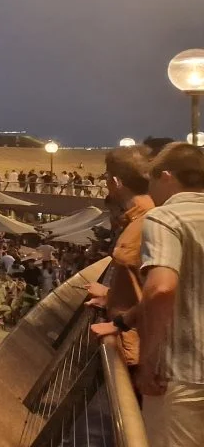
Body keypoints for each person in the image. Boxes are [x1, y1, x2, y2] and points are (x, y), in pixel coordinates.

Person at [125, 143, 204, 447]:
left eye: (152, 181)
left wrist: (148, 362)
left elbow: (161, 288)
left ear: (167, 177)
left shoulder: (165, 217)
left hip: (182, 375)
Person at [86, 145, 154, 370]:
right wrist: (111, 296)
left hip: (141, 355)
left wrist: (119, 320)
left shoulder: (140, 227)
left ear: (115, 182)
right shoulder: (149, 217)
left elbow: (160, 291)